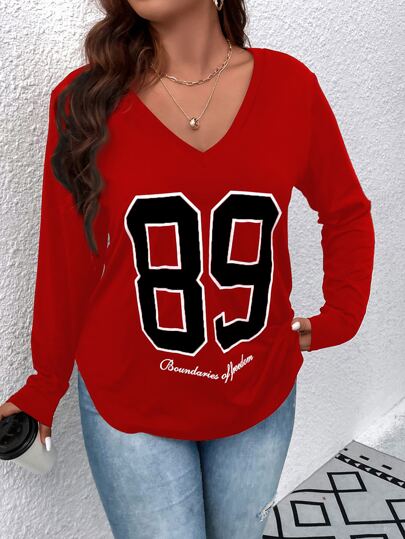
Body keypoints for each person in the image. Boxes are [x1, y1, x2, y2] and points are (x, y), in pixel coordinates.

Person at [0, 0, 375, 537]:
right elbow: (67, 260)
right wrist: (45, 384)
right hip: (131, 399)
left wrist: (340, 317)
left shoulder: (290, 87)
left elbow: (345, 212)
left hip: (258, 390)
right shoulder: (83, 103)